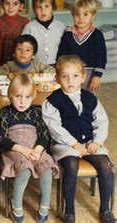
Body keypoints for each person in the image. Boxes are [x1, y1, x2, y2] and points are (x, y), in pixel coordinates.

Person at [41, 55, 116, 223]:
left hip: (90, 142)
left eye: (75, 76)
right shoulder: (52, 101)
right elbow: (54, 127)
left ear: (83, 77)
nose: (70, 80)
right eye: (64, 76)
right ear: (57, 78)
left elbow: (102, 121)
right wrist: (74, 144)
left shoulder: (91, 99)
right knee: (71, 165)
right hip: (64, 144)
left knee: (105, 165)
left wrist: (97, 141)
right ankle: (69, 211)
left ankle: (105, 209)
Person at [0, 74, 59, 223]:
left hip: (35, 148)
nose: (22, 101)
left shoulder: (36, 112)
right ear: (10, 95)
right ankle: (16, 203)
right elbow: (2, 139)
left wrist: (38, 149)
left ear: (33, 96)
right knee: (24, 169)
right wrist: (22, 150)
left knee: (46, 169)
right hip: (15, 150)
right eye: (18, 96)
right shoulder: (4, 113)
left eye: (27, 97)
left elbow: (44, 135)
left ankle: (45, 205)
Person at [57, 0, 106, 91]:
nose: (81, 18)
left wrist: (97, 76)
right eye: (77, 14)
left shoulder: (97, 35)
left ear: (93, 16)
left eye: (85, 14)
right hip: (70, 72)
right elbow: (61, 54)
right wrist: (60, 70)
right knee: (69, 94)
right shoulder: (67, 34)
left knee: (88, 98)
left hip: (90, 73)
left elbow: (101, 56)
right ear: (72, 15)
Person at [22, 0, 66, 65]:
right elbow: (23, 49)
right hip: (35, 67)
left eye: (46, 6)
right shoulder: (29, 27)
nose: (43, 10)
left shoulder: (61, 26)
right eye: (39, 7)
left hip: (56, 67)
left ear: (52, 8)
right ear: (34, 10)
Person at [0, 0, 30, 65]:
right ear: (2, 5)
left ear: (21, 6)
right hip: (2, 62)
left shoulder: (25, 22)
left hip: (21, 61)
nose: (10, 7)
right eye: (7, 3)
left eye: (15, 4)